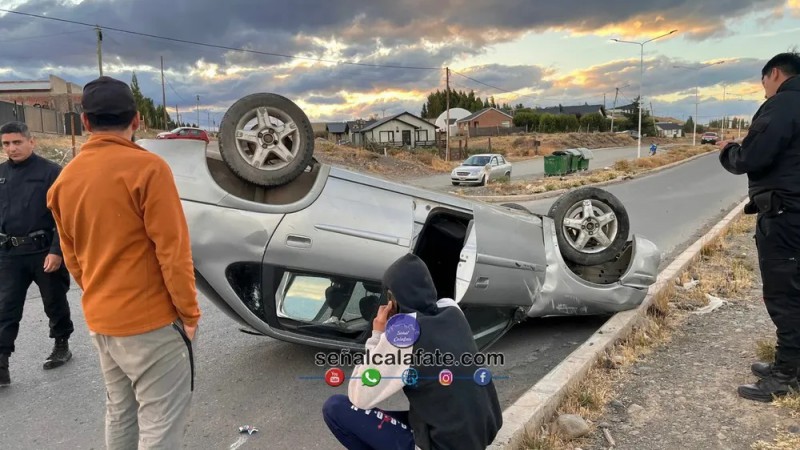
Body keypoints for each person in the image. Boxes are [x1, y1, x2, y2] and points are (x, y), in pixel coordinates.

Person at [46, 76, 202, 447]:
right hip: (152, 323)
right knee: (161, 421)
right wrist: (190, 314)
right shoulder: (148, 170)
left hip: (103, 320)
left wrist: (101, 297)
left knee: (120, 410)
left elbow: (74, 260)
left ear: (84, 122)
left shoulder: (64, 181)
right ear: (136, 120)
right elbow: (173, 252)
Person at [322, 253, 503, 450]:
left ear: (394, 298)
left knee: (336, 408)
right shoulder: (452, 311)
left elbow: (359, 396)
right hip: (478, 434)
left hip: (443, 445)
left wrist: (377, 334)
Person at [718, 51, 800, 402]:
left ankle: (784, 377)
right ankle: (791, 364)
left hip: (786, 218)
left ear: (776, 74)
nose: (764, 89)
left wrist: (729, 151)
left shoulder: (783, 105)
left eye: (764, 81)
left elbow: (752, 157)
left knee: (786, 295)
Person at [0, 121, 75, 387]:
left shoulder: (51, 172)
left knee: (54, 301)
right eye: (6, 143)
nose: (12, 148)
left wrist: (57, 252)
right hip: (10, 254)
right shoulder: (1, 174)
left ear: (32, 142)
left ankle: (61, 343)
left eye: (17, 142)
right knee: (5, 308)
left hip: (44, 251)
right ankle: (2, 363)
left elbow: (63, 217)